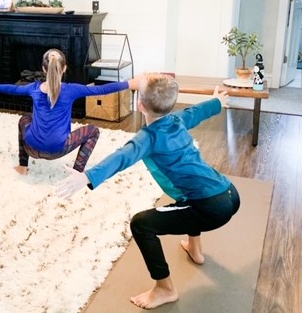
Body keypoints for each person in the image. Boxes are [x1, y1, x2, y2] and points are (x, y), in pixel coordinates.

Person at [56, 73, 240, 309]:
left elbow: (122, 156)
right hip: (230, 194)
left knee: (141, 224)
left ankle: (165, 289)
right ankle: (195, 248)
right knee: (185, 201)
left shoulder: (148, 137)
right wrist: (216, 102)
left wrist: (87, 176)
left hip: (211, 207)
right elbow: (196, 112)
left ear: (140, 105)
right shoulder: (177, 120)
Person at [0, 48, 139, 175]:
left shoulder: (33, 88)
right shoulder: (71, 90)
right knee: (93, 131)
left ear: (43, 69)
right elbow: (102, 89)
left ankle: (23, 166)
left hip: (31, 147)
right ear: (65, 68)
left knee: (24, 119)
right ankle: (77, 172)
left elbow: (14, 89)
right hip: (57, 150)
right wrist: (130, 83)